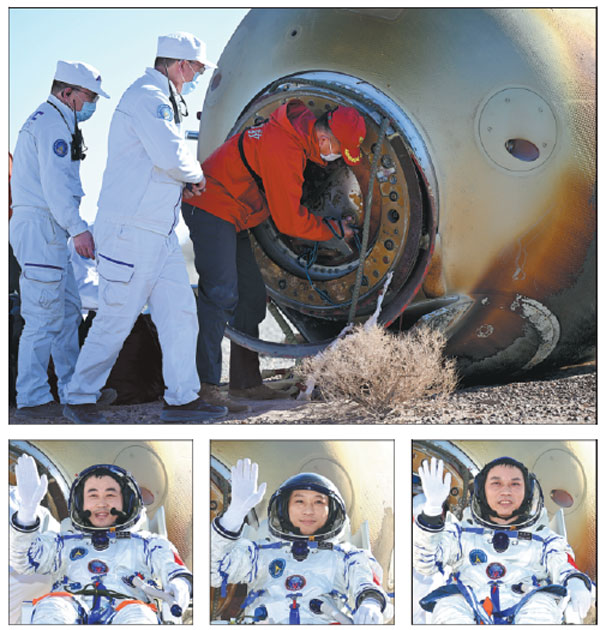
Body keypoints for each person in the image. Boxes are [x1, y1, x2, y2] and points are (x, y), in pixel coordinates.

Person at [62, 32, 227, 424]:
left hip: (158, 233)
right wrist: (195, 176)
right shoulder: (147, 99)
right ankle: (79, 397)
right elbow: (171, 155)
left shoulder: (162, 100)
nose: (196, 77)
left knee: (180, 314)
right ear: (180, 64)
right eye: (197, 70)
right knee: (116, 317)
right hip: (130, 232)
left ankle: (182, 399)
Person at [182, 101, 366, 411]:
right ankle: (201, 388)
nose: (336, 157)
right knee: (220, 295)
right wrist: (335, 230)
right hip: (211, 208)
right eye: (338, 150)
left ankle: (245, 385)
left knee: (251, 298)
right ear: (324, 140)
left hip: (235, 213)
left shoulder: (297, 135)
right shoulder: (285, 148)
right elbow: (289, 221)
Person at [10, 60, 111, 419]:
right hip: (42, 227)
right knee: (42, 318)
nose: (92, 105)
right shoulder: (52, 123)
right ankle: (33, 398)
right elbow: (55, 186)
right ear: (67, 93)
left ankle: (72, 390)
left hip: (47, 228)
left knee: (67, 312)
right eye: (89, 96)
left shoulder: (54, 120)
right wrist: (78, 228)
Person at [10, 454, 192, 624]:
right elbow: (24, 560)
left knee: (138, 615)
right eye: (93, 495)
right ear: (81, 503)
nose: (101, 503)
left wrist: (179, 584)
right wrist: (27, 512)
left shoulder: (146, 544)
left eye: (110, 495)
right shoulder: (63, 542)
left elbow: (173, 567)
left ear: (127, 501)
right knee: (52, 609)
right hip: (70, 605)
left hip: (127, 606)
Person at [413, 457, 594, 624]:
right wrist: (433, 510)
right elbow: (426, 563)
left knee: (542, 606)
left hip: (528, 600)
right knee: (448, 606)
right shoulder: (462, 533)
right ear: (482, 490)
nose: (506, 491)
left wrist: (575, 581)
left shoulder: (544, 539)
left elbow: (562, 564)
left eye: (515, 484)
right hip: (468, 600)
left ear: (528, 492)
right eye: (496, 483)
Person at [211, 458, 391, 624]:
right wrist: (233, 515)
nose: (308, 511)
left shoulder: (346, 557)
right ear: (284, 508)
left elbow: (366, 583)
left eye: (319, 502)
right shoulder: (260, 554)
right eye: (299, 501)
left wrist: (370, 604)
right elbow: (213, 572)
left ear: (332, 511)